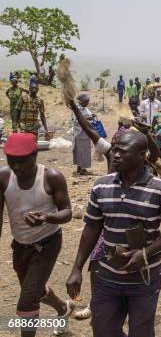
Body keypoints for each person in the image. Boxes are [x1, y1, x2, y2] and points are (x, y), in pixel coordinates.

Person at [66, 130, 161, 337]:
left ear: (142, 155)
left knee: (141, 332)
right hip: (106, 278)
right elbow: (92, 228)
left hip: (144, 281)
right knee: (103, 330)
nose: (116, 155)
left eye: (123, 151)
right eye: (115, 150)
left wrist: (146, 253)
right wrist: (77, 268)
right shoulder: (101, 186)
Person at [0, 133, 75, 336]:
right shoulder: (4, 177)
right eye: (11, 161)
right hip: (20, 245)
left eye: (22, 162)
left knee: (27, 298)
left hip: (47, 243)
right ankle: (62, 308)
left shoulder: (52, 177)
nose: (16, 167)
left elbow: (67, 212)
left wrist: (47, 217)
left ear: (35, 155)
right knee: (34, 289)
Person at [71, 93, 95, 176]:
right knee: (81, 151)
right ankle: (82, 169)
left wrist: (92, 116)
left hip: (85, 133)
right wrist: (87, 118)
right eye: (86, 101)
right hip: (79, 133)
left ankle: (80, 168)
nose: (88, 103)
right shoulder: (77, 109)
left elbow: (89, 116)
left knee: (84, 151)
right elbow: (75, 121)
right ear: (81, 102)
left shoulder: (85, 109)